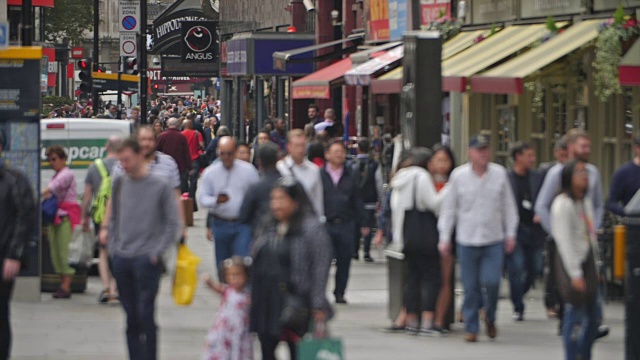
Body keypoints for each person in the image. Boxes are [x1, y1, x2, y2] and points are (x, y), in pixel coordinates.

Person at [438, 134, 519, 342]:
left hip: (493, 238)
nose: (483, 153)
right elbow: (449, 209)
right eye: (479, 149)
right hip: (467, 239)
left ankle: (490, 316)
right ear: (470, 153)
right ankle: (472, 327)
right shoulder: (459, 176)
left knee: (492, 282)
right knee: (470, 285)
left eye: (486, 149)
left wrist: (510, 233)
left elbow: (509, 207)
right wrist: (445, 237)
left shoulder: (499, 174)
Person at [109, 138, 180, 360]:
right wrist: (114, 247)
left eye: (127, 159)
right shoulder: (120, 183)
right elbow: (114, 218)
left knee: (145, 313)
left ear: (140, 155)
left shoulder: (159, 184)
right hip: (122, 257)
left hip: (147, 259)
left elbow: (172, 222)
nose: (124, 165)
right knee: (131, 316)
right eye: (121, 161)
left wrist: (157, 252)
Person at [250, 177, 333, 360]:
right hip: (267, 299)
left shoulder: (312, 229)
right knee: (267, 349)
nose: (276, 205)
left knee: (298, 351)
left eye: (281, 199)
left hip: (297, 301)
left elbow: (320, 268)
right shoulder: (267, 225)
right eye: (273, 199)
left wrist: (318, 304)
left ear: (295, 201)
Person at [535, 129, 606, 335]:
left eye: (589, 146)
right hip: (564, 238)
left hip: (587, 238)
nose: (587, 150)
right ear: (571, 147)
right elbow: (542, 205)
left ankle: (592, 322)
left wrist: (595, 227)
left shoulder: (593, 173)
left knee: (591, 283)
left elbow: (598, 204)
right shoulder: (557, 174)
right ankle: (568, 323)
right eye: (583, 146)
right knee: (567, 286)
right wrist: (555, 231)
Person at [389, 148, 449, 335]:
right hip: (425, 235)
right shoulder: (421, 177)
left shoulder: (400, 177)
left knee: (412, 278)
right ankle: (427, 322)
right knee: (432, 277)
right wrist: (448, 189)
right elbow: (433, 203)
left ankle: (411, 319)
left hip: (406, 234)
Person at [551, 159, 602, 360]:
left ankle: (583, 353)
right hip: (571, 262)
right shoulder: (563, 204)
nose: (584, 176)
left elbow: (591, 235)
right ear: (568, 178)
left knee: (594, 315)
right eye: (579, 172)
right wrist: (575, 273)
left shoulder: (585, 202)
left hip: (587, 258)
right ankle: (573, 355)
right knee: (576, 314)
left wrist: (596, 266)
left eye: (586, 172)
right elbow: (564, 240)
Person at [198, 137, 260, 273]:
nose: (226, 157)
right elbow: (202, 198)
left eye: (229, 153)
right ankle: (225, 290)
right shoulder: (210, 173)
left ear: (235, 152)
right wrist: (216, 201)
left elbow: (257, 195)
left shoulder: (248, 171)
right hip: (220, 223)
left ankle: (242, 291)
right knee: (222, 263)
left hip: (242, 224)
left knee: (242, 261)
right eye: (222, 153)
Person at [0, 132, 36, 360]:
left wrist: (14, 255)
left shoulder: (13, 180)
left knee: (1, 315)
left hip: (3, 257)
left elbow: (25, 218)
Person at [321, 141, 368, 304]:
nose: (339, 155)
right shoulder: (320, 175)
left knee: (344, 259)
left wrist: (364, 222)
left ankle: (339, 292)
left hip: (346, 223)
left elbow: (357, 199)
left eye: (341, 152)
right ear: (327, 154)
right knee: (323, 260)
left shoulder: (350, 174)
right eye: (335, 151)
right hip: (325, 223)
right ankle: (320, 292)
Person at [506, 142, 545, 321]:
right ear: (518, 157)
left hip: (534, 229)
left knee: (535, 268)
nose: (533, 159)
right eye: (529, 155)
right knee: (517, 267)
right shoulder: (507, 178)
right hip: (516, 229)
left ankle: (519, 293)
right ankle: (518, 306)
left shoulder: (537, 177)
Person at [82, 137, 121, 304]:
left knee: (103, 252)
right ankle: (115, 289)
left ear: (106, 147)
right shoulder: (124, 166)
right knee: (119, 253)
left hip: (100, 216)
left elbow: (87, 195)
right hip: (120, 216)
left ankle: (105, 287)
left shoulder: (94, 166)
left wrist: (84, 217)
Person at [43, 145, 82, 299]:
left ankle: (66, 286)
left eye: (54, 159)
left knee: (65, 253)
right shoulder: (58, 174)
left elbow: (53, 187)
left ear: (63, 159)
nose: (51, 162)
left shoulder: (66, 174)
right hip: (57, 217)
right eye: (49, 160)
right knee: (56, 253)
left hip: (66, 218)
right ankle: (62, 285)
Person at [202, 257, 253, 360]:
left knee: (238, 350)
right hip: (225, 329)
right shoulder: (227, 290)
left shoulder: (247, 294)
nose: (235, 279)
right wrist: (209, 282)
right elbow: (217, 288)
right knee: (223, 350)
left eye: (238, 275)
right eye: (231, 275)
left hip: (240, 330)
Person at [430, 145, 456, 333]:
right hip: (426, 235)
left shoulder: (454, 184)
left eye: (445, 160)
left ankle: (440, 320)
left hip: (447, 237)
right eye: (438, 160)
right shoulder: (425, 182)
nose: (441, 164)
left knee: (445, 278)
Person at [277, 129, 325, 219]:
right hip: (286, 220)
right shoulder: (279, 168)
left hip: (308, 221)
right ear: (288, 146)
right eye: (296, 146)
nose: (300, 149)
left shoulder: (314, 170)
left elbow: (318, 200)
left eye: (302, 145)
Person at [350, 139, 383, 262]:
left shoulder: (351, 164)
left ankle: (354, 252)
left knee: (355, 226)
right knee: (368, 226)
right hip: (370, 200)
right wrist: (380, 199)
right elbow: (379, 183)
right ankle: (366, 252)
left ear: (358, 148)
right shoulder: (374, 164)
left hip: (354, 201)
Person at [240, 143, 282, 234]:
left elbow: (244, 215)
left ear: (259, 162)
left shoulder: (255, 187)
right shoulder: (286, 183)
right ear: (277, 159)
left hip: (261, 233)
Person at [606, 134, 640, 216]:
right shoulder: (623, 173)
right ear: (636, 149)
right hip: (633, 225)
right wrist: (627, 212)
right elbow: (611, 203)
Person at [156, 117, 192, 194]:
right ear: (177, 125)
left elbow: (156, 151)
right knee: (181, 191)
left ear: (167, 124)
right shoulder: (181, 137)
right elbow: (186, 152)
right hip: (180, 168)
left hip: (164, 168)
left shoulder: (162, 136)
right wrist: (189, 167)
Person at [182, 119, 205, 211]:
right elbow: (201, 144)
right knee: (193, 182)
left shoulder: (181, 135)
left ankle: (186, 201)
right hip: (195, 159)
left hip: (184, 161)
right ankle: (193, 202)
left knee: (184, 182)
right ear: (191, 125)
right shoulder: (197, 133)